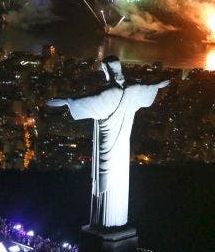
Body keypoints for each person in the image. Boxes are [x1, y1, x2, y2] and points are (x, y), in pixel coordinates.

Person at [47, 56, 169, 228]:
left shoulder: (108, 93)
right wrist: (158, 85)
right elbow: (147, 88)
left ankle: (105, 224)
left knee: (105, 178)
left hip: (107, 145)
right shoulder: (133, 88)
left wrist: (67, 101)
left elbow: (85, 101)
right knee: (118, 180)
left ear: (106, 71)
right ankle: (115, 222)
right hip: (122, 148)